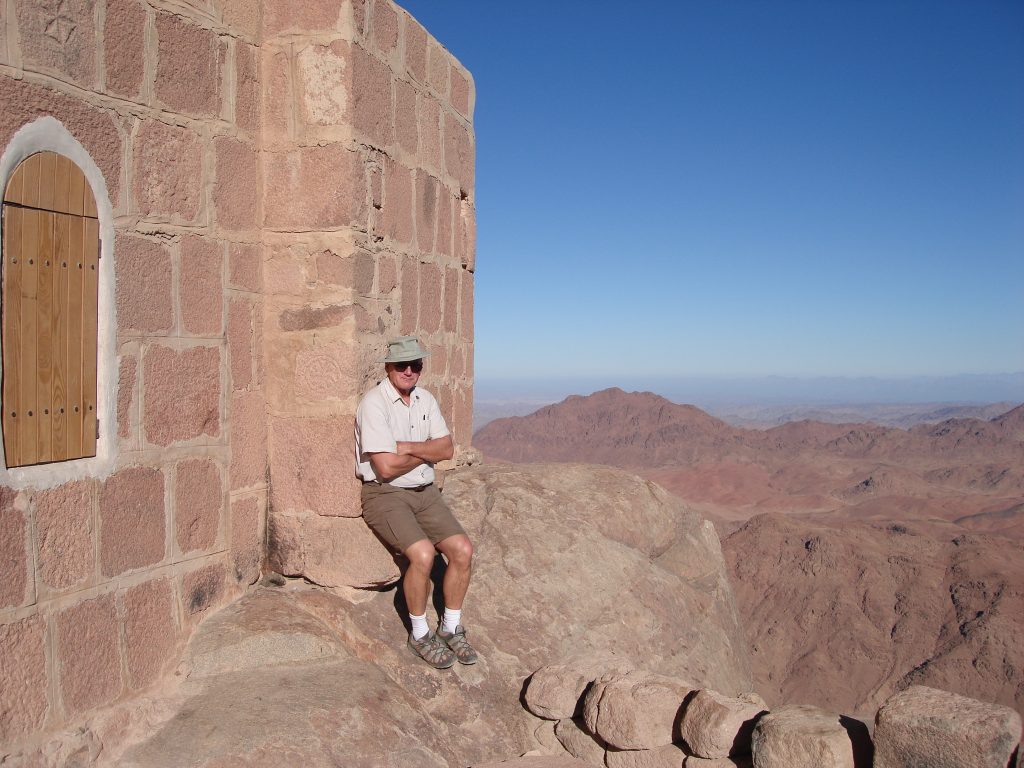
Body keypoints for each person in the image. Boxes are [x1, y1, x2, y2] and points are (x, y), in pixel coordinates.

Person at [354, 336, 477, 669]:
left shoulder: (425, 400)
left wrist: (407, 447)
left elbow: (447, 449)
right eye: (402, 365)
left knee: (463, 550)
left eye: (416, 365)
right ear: (388, 367)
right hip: (386, 494)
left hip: (425, 492)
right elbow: (385, 468)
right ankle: (420, 635)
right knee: (423, 555)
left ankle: (450, 627)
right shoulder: (374, 404)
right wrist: (426, 452)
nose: (409, 371)